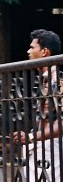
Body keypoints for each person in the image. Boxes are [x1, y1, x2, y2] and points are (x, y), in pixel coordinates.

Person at [12, 29, 61, 181]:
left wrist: (32, 137)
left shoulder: (57, 82)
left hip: (52, 148)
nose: (28, 51)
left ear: (45, 51)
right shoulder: (46, 80)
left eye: (32, 47)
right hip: (42, 145)